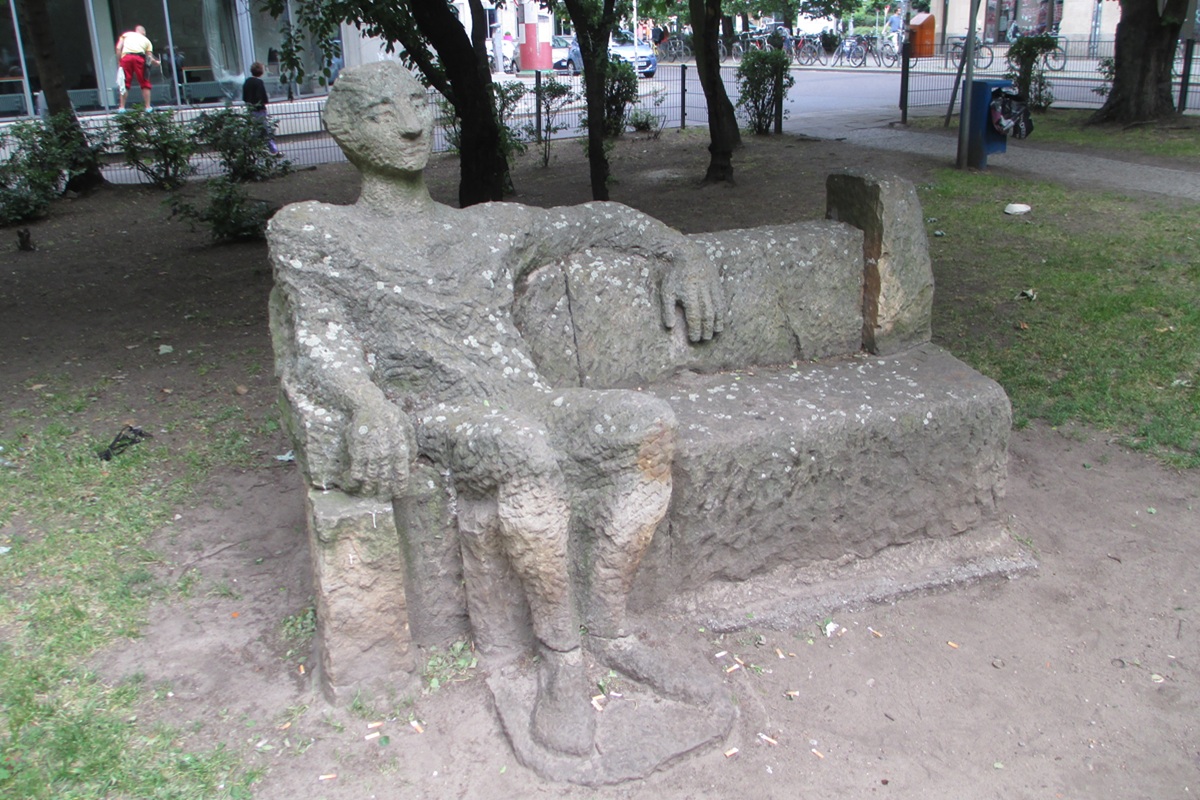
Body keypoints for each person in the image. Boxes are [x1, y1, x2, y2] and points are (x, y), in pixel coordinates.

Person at [268, 61, 722, 758]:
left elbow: (595, 220)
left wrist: (680, 249)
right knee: (520, 448)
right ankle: (561, 660)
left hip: (526, 398)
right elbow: (318, 338)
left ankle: (610, 630)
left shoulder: (490, 227)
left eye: (419, 102)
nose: (413, 123)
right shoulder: (314, 231)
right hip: (437, 410)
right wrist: (363, 402)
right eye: (385, 112)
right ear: (345, 130)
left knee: (645, 424)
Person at [115, 24, 160, 112]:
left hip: (126, 58)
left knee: (124, 82)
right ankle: (147, 107)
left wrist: (119, 61)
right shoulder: (147, 40)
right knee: (144, 82)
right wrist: (157, 63)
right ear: (143, 32)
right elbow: (149, 58)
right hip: (139, 58)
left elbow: (118, 48)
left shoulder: (126, 35)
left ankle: (122, 107)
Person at [242, 61, 278, 154]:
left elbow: (245, 97)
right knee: (265, 129)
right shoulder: (259, 82)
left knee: (254, 129)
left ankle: (253, 149)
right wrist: (263, 103)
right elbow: (261, 97)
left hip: (251, 109)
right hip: (260, 109)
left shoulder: (247, 82)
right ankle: (273, 149)